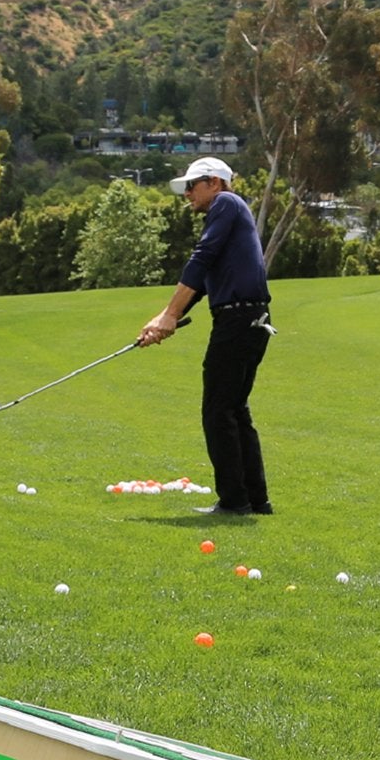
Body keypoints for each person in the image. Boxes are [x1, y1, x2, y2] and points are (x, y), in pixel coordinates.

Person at [137, 156, 274, 516]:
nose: (187, 195)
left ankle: (234, 501)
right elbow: (201, 282)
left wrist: (169, 315)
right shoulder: (228, 215)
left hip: (239, 319)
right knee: (233, 409)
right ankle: (254, 500)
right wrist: (163, 322)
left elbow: (202, 257)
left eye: (191, 186)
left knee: (218, 411)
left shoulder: (227, 203)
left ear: (215, 182)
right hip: (249, 319)